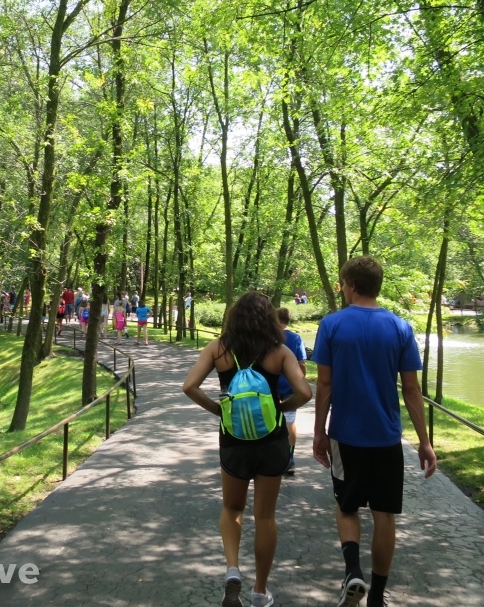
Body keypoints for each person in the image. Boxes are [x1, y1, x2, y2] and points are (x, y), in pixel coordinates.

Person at [312, 256, 437, 607]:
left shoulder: (332, 325)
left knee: (346, 506)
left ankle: (353, 572)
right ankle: (377, 599)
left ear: (349, 285)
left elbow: (324, 383)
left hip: (346, 435)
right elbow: (411, 390)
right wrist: (425, 443)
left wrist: (319, 432)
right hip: (386, 437)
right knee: (384, 516)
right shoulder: (400, 327)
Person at [183, 291, 312, 607]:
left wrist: (218, 410)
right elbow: (305, 392)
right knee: (265, 516)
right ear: (269, 319)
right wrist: (281, 407)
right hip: (272, 441)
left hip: (233, 440)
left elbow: (189, 386)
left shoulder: (219, 348)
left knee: (231, 509)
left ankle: (232, 569)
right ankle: (259, 591)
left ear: (233, 317)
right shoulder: (279, 351)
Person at [275, 307, 307, 474]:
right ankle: (290, 458)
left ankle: (272, 457)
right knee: (290, 420)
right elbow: (302, 363)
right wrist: (300, 380)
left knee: (270, 420)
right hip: (289, 385)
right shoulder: (296, 338)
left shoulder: (269, 338)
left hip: (270, 385)